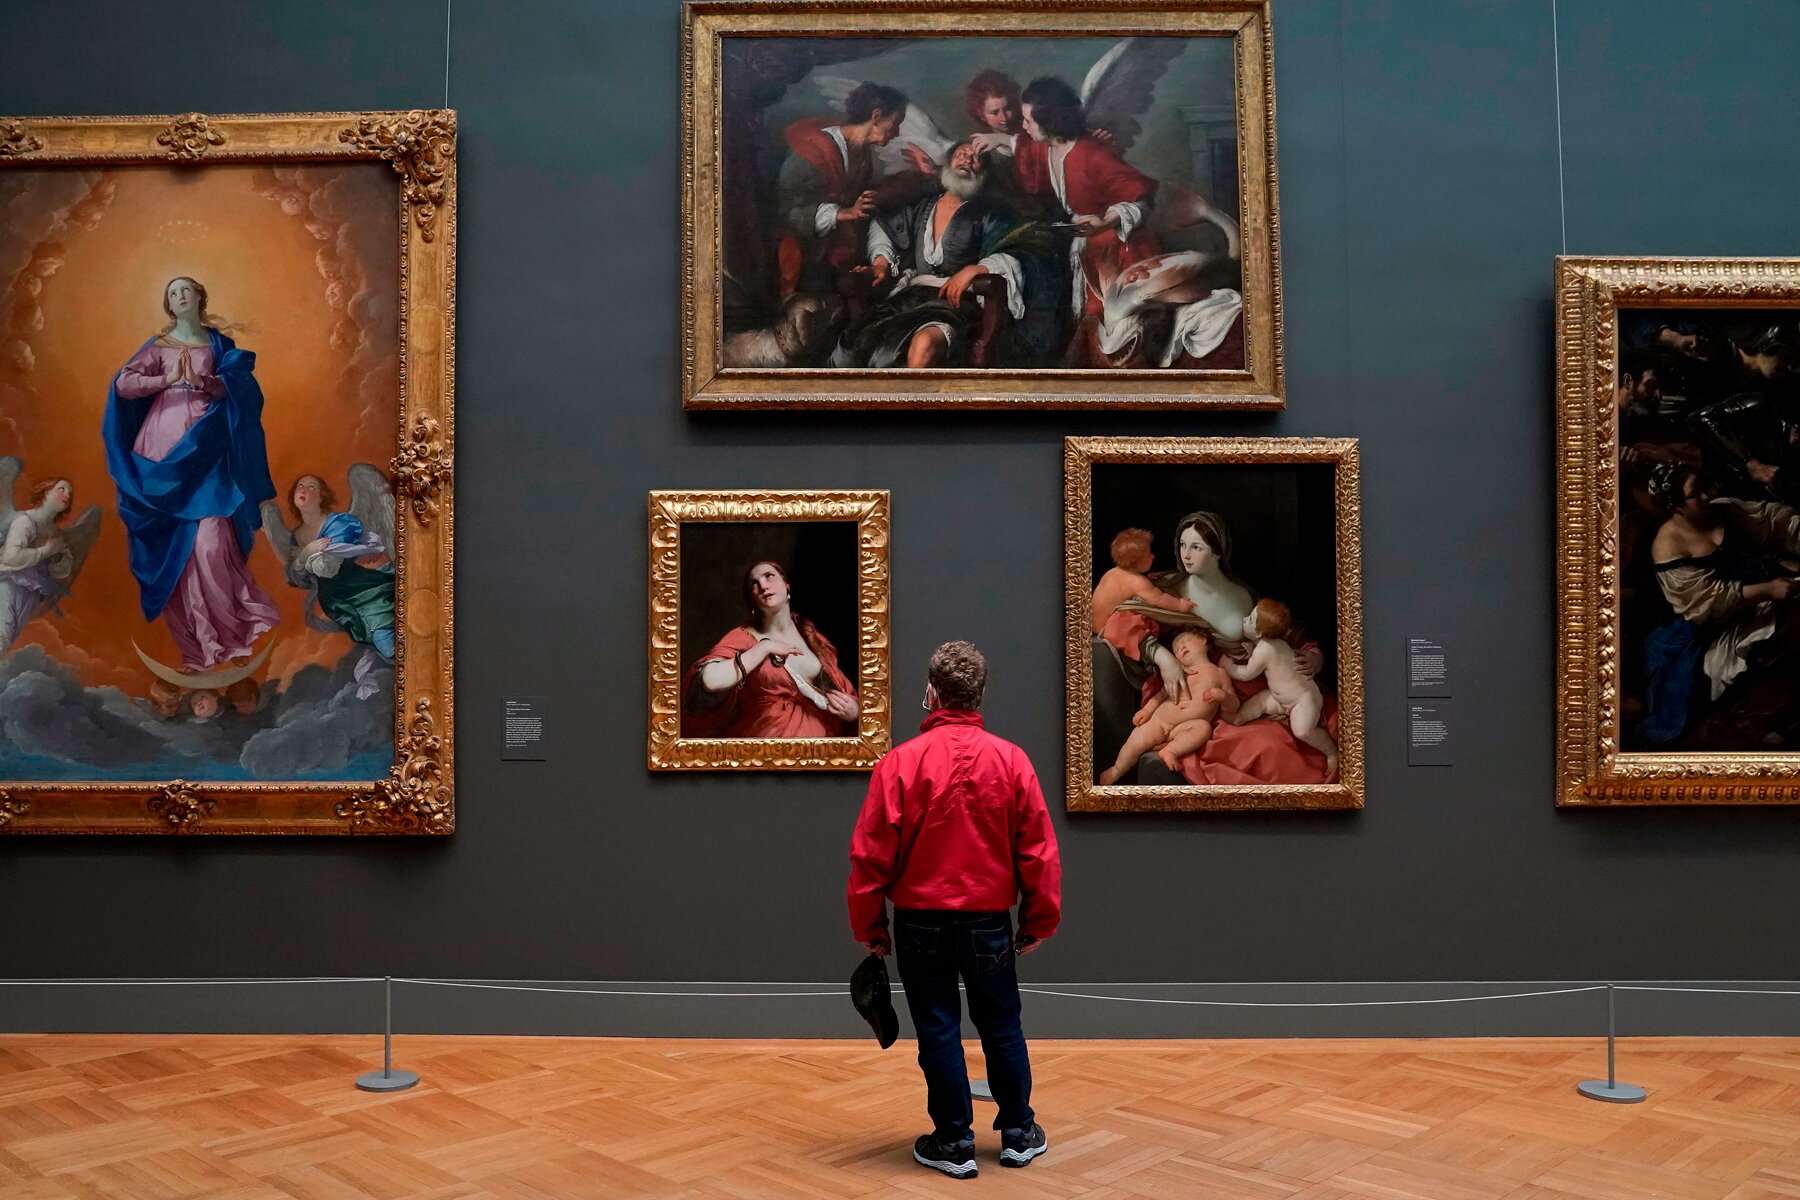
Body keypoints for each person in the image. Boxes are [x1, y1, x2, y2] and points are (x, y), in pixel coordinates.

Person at [846, 641, 1061, 1178]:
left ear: (932, 692)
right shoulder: (1011, 760)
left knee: (937, 1027)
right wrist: (1039, 921)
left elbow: (870, 855)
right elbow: (1038, 852)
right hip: (989, 921)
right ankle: (1018, 1132)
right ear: (979, 694)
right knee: (1002, 1024)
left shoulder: (899, 763)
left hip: (919, 922)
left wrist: (869, 926)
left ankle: (953, 1141)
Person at [103, 276, 280, 673]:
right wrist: (164, 380)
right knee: (175, 557)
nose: (180, 296)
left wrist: (205, 382)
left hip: (207, 454)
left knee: (213, 547)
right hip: (160, 458)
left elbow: (244, 391)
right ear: (169, 304)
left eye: (186, 289)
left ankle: (231, 637)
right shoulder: (159, 347)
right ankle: (196, 651)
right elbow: (124, 384)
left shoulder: (220, 346)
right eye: (173, 292)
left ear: (200, 296)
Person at [1092, 511, 1336, 785]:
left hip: (1246, 687)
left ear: (1218, 552)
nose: (1186, 554)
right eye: (1182, 545)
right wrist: (1164, 659)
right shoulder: (1166, 589)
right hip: (1194, 689)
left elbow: (1286, 631)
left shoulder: (1244, 595)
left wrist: (1314, 657)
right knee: (1264, 745)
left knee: (1283, 743)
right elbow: (1121, 621)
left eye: (1197, 547)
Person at [832, 141, 1033, 369]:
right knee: (856, 343)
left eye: (976, 158)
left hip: (955, 304)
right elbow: (885, 224)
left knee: (924, 343)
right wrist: (881, 263)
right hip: (909, 300)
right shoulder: (923, 205)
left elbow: (1012, 250)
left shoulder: (989, 214)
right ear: (948, 163)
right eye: (961, 154)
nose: (967, 160)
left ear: (983, 173)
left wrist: (974, 269)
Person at [776, 82, 926, 306]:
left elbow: (866, 198)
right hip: (806, 260)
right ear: (876, 117)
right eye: (894, 124)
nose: (896, 133)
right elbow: (788, 213)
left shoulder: (862, 155)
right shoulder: (811, 151)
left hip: (839, 258)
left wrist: (922, 175)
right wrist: (844, 213)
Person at [683, 560, 859, 737]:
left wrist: (854, 712)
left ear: (786, 585)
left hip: (820, 746)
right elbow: (709, 682)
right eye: (754, 584)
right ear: (752, 600)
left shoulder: (813, 638)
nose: (763, 586)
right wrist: (763, 648)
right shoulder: (744, 637)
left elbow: (843, 693)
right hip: (765, 742)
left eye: (769, 576)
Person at [1097, 628, 1237, 784]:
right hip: (1160, 720)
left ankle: (1170, 751)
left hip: (1187, 726)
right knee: (1136, 741)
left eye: (1186, 641)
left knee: (1203, 728)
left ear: (1203, 640)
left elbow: (1233, 708)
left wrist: (1223, 696)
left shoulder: (1219, 673)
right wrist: (1147, 710)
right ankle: (1117, 770)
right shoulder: (1177, 672)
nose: (1181, 647)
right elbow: (1161, 695)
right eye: (1176, 650)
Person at [1223, 598, 1339, 778]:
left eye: (1250, 620)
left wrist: (1228, 667)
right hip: (1280, 698)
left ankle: (1331, 752)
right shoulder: (1272, 644)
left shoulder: (1265, 649)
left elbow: (1246, 674)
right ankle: (1239, 718)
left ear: (1259, 633)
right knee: (1259, 701)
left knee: (1302, 731)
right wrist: (1252, 652)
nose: (1244, 620)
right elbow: (1270, 662)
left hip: (1302, 700)